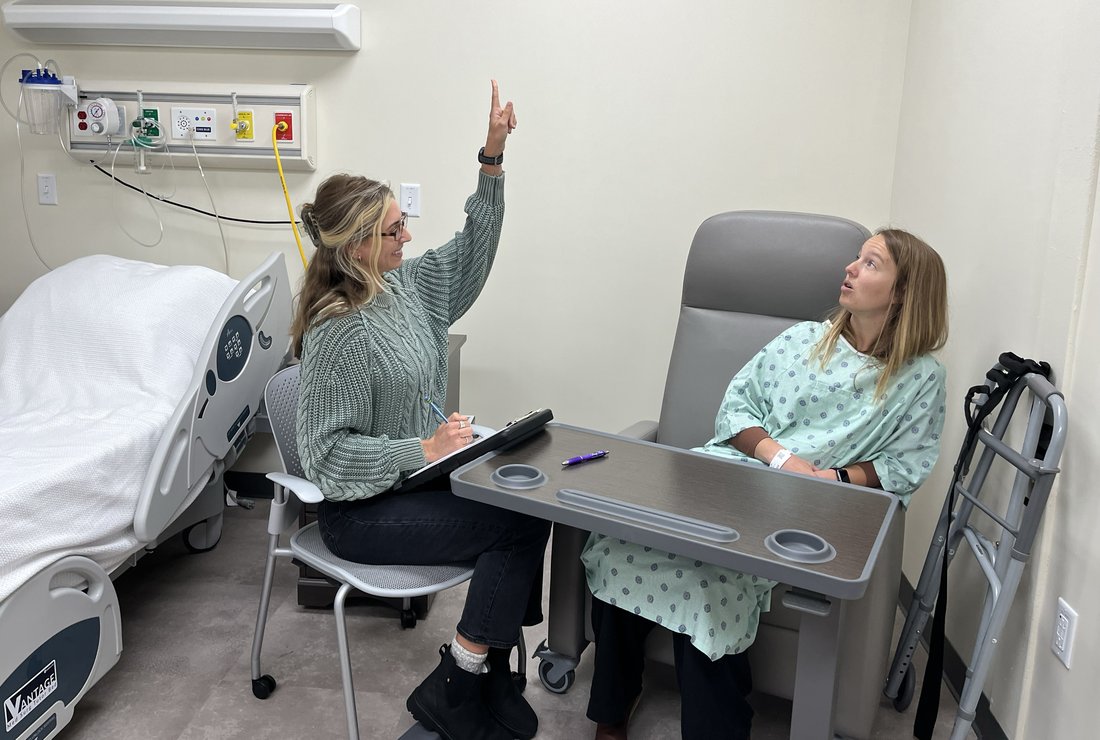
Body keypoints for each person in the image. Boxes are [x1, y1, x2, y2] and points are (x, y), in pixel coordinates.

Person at [581, 228, 950, 740]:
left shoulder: (919, 378)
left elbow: (905, 463)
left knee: (711, 579)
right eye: (855, 258)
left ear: (904, 291)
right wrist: (780, 459)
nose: (849, 269)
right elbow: (737, 409)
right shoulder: (804, 338)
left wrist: (828, 478)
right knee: (624, 538)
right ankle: (612, 708)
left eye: (869, 264)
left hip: (810, 507)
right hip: (724, 475)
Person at [292, 81, 549, 740]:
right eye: (392, 229)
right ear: (354, 249)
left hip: (413, 485)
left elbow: (473, 251)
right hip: (359, 513)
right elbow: (326, 457)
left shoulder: (405, 287)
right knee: (512, 528)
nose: (408, 232)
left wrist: (491, 161)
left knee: (529, 505)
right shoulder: (337, 331)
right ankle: (463, 681)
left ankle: (485, 669)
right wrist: (423, 449)